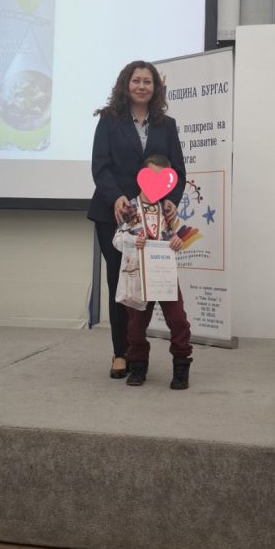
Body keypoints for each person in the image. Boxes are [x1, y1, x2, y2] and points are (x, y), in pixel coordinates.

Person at [88, 61, 186, 379]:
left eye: (148, 81)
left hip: (155, 219)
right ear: (125, 84)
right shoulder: (109, 120)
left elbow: (177, 171)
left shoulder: (166, 125)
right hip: (114, 214)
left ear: (156, 88)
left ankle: (138, 353)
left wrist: (171, 201)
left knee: (156, 287)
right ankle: (121, 353)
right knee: (121, 282)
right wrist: (116, 196)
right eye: (136, 81)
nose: (142, 86)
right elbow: (100, 166)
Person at [112, 155, 192, 390]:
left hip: (164, 274)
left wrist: (177, 241)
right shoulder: (129, 208)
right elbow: (117, 239)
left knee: (177, 319)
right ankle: (138, 365)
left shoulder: (167, 209)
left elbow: (177, 235)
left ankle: (181, 365)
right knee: (136, 325)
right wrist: (131, 241)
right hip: (138, 275)